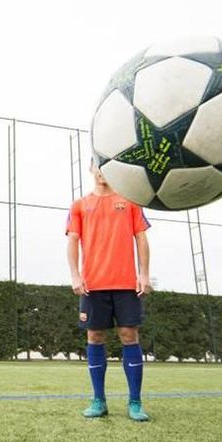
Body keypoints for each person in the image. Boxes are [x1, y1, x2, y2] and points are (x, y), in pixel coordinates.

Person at [65, 160, 153, 421]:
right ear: (91, 169)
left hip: (126, 284)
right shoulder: (79, 205)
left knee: (129, 335)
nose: (102, 171)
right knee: (94, 338)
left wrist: (144, 274)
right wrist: (75, 275)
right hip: (92, 285)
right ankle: (98, 400)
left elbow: (141, 238)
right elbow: (72, 240)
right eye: (98, 166)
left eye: (106, 164)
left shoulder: (130, 201)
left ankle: (135, 402)